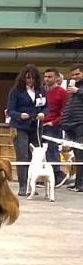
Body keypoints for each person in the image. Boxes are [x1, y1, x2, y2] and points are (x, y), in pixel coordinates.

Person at [6, 64, 47, 196]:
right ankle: (23, 185)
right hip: (20, 126)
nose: (30, 81)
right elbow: (10, 110)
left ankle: (32, 185)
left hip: (36, 127)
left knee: (35, 157)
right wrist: (19, 115)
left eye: (33, 78)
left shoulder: (41, 90)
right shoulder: (15, 91)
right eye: (28, 78)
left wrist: (43, 114)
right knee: (22, 155)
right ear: (23, 78)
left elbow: (46, 107)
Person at [41, 67, 69, 187]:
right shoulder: (42, 91)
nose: (47, 79)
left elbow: (65, 111)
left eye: (50, 77)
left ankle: (57, 175)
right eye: (45, 77)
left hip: (53, 126)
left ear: (57, 78)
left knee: (52, 151)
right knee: (42, 153)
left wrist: (54, 122)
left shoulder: (62, 92)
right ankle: (45, 178)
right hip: (40, 125)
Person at [60, 63, 83, 192]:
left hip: (81, 124)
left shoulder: (77, 90)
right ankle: (77, 182)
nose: (75, 77)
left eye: (77, 74)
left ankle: (81, 184)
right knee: (76, 155)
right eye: (73, 75)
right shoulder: (72, 89)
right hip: (71, 126)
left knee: (81, 155)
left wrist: (78, 91)